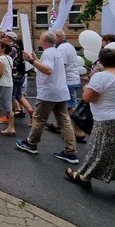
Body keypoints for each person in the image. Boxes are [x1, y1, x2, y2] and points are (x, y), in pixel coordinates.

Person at [66, 48, 115, 210]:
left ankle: (84, 176)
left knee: (100, 150)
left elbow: (88, 98)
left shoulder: (101, 77)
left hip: (107, 120)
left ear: (100, 61)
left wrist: (86, 87)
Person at [16, 31, 78, 164]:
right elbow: (47, 68)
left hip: (49, 93)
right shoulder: (56, 52)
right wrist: (35, 60)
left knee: (39, 119)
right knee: (64, 121)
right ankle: (71, 151)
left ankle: (31, 144)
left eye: (40, 38)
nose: (39, 39)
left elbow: (48, 70)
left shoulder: (49, 52)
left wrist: (32, 60)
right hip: (60, 91)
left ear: (44, 41)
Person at [46, 29, 85, 142]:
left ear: (58, 37)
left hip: (68, 81)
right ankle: (57, 125)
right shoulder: (69, 46)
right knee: (62, 106)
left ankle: (79, 132)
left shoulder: (62, 48)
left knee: (71, 107)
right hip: (72, 79)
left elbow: (60, 65)